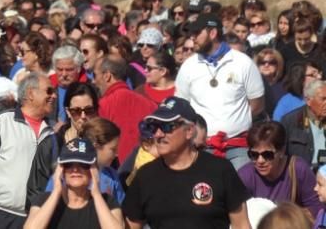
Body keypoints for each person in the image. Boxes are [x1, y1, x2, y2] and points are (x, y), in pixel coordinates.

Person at [123, 97, 252, 229]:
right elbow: (131, 226)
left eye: (167, 127)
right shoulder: (145, 176)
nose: (158, 134)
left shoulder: (220, 170)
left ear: (189, 131)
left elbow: (241, 225)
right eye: (154, 127)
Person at [176, 15, 264, 169]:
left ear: (212, 33)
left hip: (239, 147)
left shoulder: (243, 63)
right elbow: (182, 106)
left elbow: (257, 104)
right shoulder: (188, 66)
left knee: (241, 191)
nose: (192, 38)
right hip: (201, 147)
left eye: (197, 33)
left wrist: (235, 123)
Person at [0, 72, 55, 229]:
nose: (54, 96)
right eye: (49, 91)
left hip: (38, 217)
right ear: (31, 93)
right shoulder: (3, 121)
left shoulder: (52, 131)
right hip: (1, 215)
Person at [27, 82, 99, 208]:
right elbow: (35, 191)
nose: (83, 116)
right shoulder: (51, 144)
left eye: (89, 110)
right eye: (76, 111)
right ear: (68, 112)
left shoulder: (101, 145)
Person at [25, 137, 123, 229]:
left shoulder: (107, 202)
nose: (75, 169)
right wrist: (56, 192)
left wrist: (96, 194)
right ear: (61, 169)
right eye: (68, 164)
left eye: (83, 164)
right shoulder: (44, 200)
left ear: (94, 169)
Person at [237, 120, 321, 217]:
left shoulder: (298, 169)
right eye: (254, 155)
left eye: (267, 155)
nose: (260, 161)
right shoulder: (245, 175)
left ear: (282, 151)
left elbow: (317, 209)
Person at [95, 55, 156, 163]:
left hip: (116, 171)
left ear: (107, 76)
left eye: (95, 75)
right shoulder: (150, 104)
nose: (94, 81)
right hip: (144, 168)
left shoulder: (103, 105)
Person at [281, 79, 326, 168]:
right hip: (302, 174)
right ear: (308, 100)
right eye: (323, 99)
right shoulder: (290, 121)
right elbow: (281, 155)